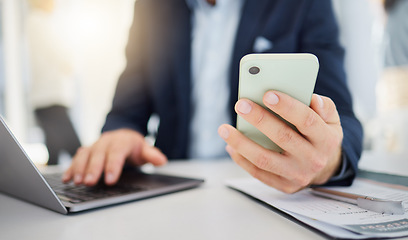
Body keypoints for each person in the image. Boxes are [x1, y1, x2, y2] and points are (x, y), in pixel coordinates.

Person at [62, 0, 363, 193]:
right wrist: (121, 134)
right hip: (173, 187)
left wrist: (328, 160)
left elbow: (343, 117)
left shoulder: (303, 5)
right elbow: (127, 110)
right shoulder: (152, 7)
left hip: (266, 191)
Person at [26, 0, 81, 165]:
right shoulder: (39, 21)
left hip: (45, 99)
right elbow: (62, 56)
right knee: (76, 149)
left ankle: (47, 188)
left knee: (54, 153)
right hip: (51, 98)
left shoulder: (38, 22)